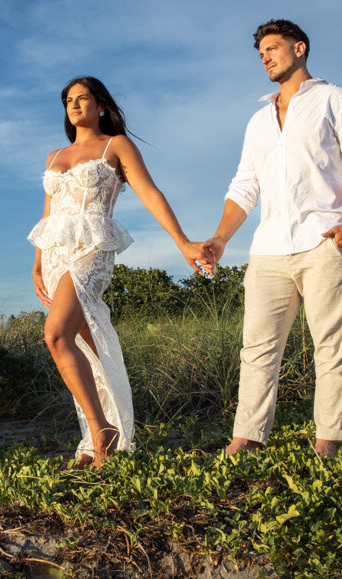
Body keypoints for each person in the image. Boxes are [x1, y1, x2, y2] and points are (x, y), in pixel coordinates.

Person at [203, 20, 342, 460]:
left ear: (299, 48)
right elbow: (245, 185)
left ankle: (328, 440)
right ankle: (247, 436)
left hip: (323, 241)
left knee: (330, 345)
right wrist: (221, 239)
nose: (265, 56)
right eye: (260, 51)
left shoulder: (341, 101)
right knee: (258, 348)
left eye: (273, 48)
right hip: (267, 250)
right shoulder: (258, 120)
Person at [28, 76, 207, 468]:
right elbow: (49, 215)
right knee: (88, 349)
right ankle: (96, 441)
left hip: (93, 250)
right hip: (56, 254)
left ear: (101, 105)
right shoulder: (53, 156)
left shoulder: (116, 145)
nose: (74, 105)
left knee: (55, 336)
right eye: (68, 100)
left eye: (83, 98)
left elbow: (150, 193)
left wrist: (182, 241)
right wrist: (38, 263)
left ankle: (101, 430)